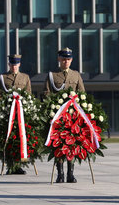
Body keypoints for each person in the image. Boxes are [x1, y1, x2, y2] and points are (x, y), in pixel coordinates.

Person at [43, 47, 85, 183]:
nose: (65, 62)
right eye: (63, 59)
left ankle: (70, 173)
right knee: (59, 144)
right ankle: (60, 173)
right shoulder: (52, 75)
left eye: (68, 59)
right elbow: (47, 93)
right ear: (59, 59)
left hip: (73, 116)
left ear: (71, 60)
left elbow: (82, 94)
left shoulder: (76, 75)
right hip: (58, 116)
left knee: (72, 144)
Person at [0, 54, 32, 174]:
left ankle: (19, 165)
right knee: (9, 139)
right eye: (12, 64)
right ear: (9, 64)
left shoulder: (25, 77)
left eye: (16, 64)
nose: (14, 67)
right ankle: (10, 166)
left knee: (20, 138)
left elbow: (29, 95)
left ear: (19, 64)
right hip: (8, 113)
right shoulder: (3, 77)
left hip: (21, 113)